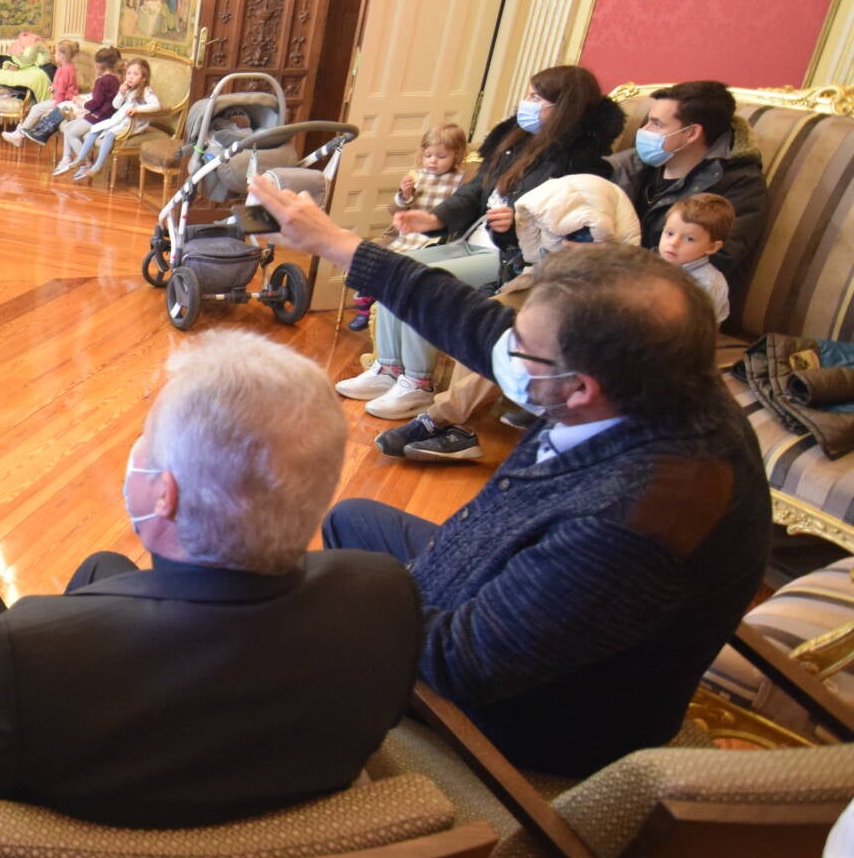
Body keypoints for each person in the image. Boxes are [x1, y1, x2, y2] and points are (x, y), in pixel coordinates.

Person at [253, 175, 771, 777]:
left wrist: (357, 602)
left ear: (581, 388)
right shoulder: (656, 377)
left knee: (300, 612)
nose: (504, 353)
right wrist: (336, 243)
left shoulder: (634, 520)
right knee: (349, 524)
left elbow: (461, 663)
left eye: (522, 350)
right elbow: (477, 325)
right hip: (498, 583)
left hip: (531, 720)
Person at [0, 330, 420, 827]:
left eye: (146, 441)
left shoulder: (28, 649)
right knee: (104, 569)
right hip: (268, 814)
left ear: (163, 493)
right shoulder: (385, 596)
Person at [337, 67, 623, 427]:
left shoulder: (582, 164)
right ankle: (389, 367)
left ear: (563, 106)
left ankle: (417, 382)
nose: (526, 104)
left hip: (510, 257)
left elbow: (564, 227)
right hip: (472, 238)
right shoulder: (513, 141)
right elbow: (474, 193)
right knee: (395, 265)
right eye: (528, 95)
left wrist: (518, 227)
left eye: (536, 98)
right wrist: (434, 218)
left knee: (426, 278)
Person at [609, 79, 767, 311]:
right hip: (613, 284)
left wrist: (610, 258)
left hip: (677, 305)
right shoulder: (630, 164)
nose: (643, 132)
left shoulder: (741, 184)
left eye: (656, 124)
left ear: (691, 133)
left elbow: (715, 257)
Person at [350, 125, 468, 332]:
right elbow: (393, 209)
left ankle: (387, 309)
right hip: (406, 235)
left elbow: (461, 210)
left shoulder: (461, 180)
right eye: (428, 155)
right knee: (373, 260)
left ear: (456, 155)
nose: (432, 161)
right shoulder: (417, 176)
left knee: (402, 267)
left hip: (432, 239)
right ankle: (364, 307)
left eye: (441, 156)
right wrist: (404, 195)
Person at [54, 56, 160, 181]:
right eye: (129, 73)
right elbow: (116, 105)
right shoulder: (128, 90)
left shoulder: (146, 91)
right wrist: (121, 93)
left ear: (143, 78)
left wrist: (138, 110)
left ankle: (98, 166)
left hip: (132, 123)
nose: (130, 77)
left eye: (135, 74)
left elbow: (156, 106)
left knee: (109, 134)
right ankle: (80, 158)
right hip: (119, 119)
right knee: (94, 129)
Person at [658, 192, 735, 323]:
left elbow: (698, 330)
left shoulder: (707, 283)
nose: (673, 243)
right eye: (669, 233)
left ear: (711, 247)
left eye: (689, 239)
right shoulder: (652, 265)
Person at [2, 38, 78, 147]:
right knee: (37, 108)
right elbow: (61, 84)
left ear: (62, 56)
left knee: (36, 108)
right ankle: (20, 133)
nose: (54, 55)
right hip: (60, 99)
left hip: (62, 102)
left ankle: (19, 134)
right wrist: (53, 87)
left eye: (56, 53)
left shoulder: (66, 70)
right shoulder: (65, 67)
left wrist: (56, 108)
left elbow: (62, 91)